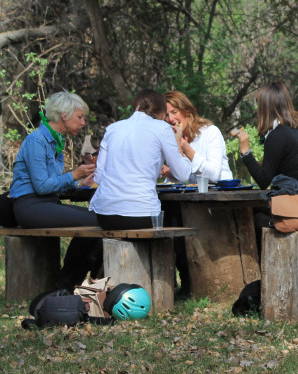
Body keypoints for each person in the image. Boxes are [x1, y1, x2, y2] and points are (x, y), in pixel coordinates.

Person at [9, 91, 102, 290]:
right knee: (95, 221)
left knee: (100, 218)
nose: (83, 122)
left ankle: (78, 282)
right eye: (80, 117)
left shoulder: (56, 141)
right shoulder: (37, 141)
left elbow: (53, 182)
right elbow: (42, 186)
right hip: (29, 206)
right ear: (64, 115)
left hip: (46, 203)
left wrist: (80, 182)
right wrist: (74, 175)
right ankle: (65, 285)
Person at [233, 82, 298, 248]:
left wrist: (246, 151)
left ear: (266, 107)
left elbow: (263, 181)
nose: (257, 109)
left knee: (255, 215)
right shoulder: (291, 128)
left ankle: (263, 268)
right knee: (262, 209)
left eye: (258, 105)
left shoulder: (277, 136)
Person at [89, 90, 192, 229]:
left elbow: (99, 177)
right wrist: (178, 142)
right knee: (175, 220)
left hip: (105, 216)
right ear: (161, 112)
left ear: (136, 108)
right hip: (142, 214)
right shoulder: (162, 128)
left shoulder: (112, 129)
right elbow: (183, 174)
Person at [161, 90, 233, 183]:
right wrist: (170, 173)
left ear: (186, 111)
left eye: (174, 112)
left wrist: (187, 150)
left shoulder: (210, 132)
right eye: (166, 115)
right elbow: (186, 179)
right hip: (196, 195)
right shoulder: (175, 139)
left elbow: (214, 175)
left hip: (223, 193)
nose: (170, 119)